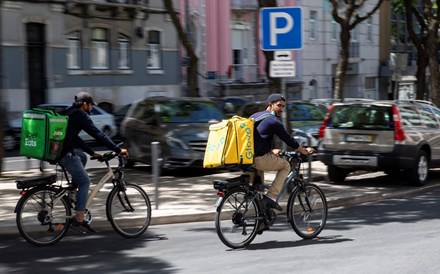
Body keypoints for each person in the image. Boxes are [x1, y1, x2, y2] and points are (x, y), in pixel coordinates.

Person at [59, 91, 128, 232]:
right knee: (85, 182)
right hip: (65, 154)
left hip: (60, 151)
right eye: (91, 105)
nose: (91, 108)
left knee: (82, 157)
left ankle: (73, 189)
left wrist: (91, 153)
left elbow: (74, 138)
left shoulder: (69, 112)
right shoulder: (81, 115)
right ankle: (79, 217)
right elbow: (98, 134)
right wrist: (117, 149)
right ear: (85, 104)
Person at [250, 93, 314, 212]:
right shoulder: (273, 121)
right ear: (270, 105)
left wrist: (270, 150)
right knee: (286, 166)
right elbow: (288, 139)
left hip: (247, 158)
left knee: (258, 191)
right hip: (258, 159)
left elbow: (257, 137)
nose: (281, 109)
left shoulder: (255, 116)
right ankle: (271, 196)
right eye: (279, 106)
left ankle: (261, 222)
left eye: (283, 106)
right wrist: (303, 151)